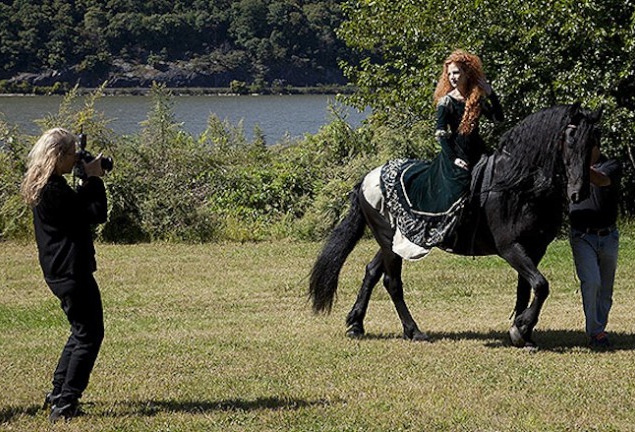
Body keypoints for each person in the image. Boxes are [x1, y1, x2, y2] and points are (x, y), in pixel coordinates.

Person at [378, 49, 504, 259]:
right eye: (450, 73)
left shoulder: (476, 99)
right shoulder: (446, 102)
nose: (453, 77)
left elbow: (498, 118)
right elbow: (441, 134)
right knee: (460, 187)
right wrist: (455, 159)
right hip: (453, 156)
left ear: (467, 74)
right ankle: (453, 235)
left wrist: (491, 93)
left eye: (457, 72)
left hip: (478, 152)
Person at [20, 127, 109, 422]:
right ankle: (66, 402)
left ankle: (58, 392)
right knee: (89, 335)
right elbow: (94, 213)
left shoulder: (45, 184)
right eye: (72, 154)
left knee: (80, 330)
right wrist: (93, 178)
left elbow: (78, 210)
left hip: (59, 269)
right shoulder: (54, 190)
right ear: (57, 156)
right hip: (71, 271)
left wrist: (86, 179)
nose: (75, 159)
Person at [569, 144, 621, 349]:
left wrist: (577, 166)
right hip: (582, 236)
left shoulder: (611, 165)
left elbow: (600, 180)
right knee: (591, 282)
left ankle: (598, 328)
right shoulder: (571, 167)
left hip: (609, 237)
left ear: (597, 147)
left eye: (587, 146)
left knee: (605, 289)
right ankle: (596, 332)